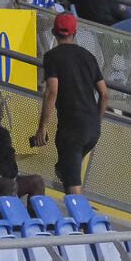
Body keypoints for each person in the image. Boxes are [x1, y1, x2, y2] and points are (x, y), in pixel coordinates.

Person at [30, 12, 107, 195]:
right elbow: (104, 94)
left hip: (71, 130)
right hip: (93, 130)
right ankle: (64, 170)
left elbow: (52, 91)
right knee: (66, 169)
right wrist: (96, 120)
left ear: (54, 33)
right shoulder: (88, 56)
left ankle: (80, 222)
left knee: (73, 189)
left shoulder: (52, 57)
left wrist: (42, 127)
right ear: (75, 32)